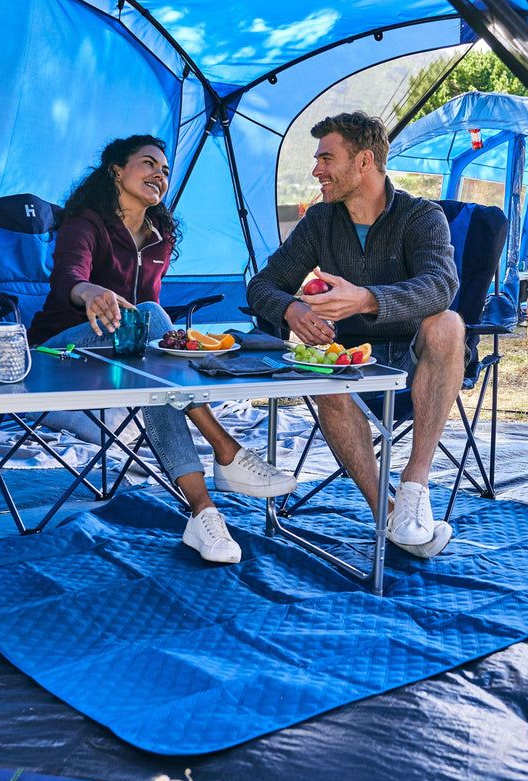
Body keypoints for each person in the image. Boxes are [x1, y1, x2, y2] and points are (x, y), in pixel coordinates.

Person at [29, 135, 296, 564]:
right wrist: (91, 291)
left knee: (163, 383)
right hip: (60, 352)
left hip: (127, 357)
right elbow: (66, 278)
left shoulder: (160, 238)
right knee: (153, 318)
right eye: (148, 163)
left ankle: (204, 514)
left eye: (166, 170)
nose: (160, 174)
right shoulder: (86, 221)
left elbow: (145, 330)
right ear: (116, 170)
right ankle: (226, 452)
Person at [246, 111, 466, 558]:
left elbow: (441, 285)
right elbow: (261, 285)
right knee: (318, 358)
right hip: (346, 364)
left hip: (412, 361)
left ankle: (414, 487)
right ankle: (387, 514)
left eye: (327, 158)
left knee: (448, 323)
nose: (316, 170)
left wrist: (366, 299)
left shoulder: (421, 216)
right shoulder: (319, 222)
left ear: (364, 161)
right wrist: (290, 309)